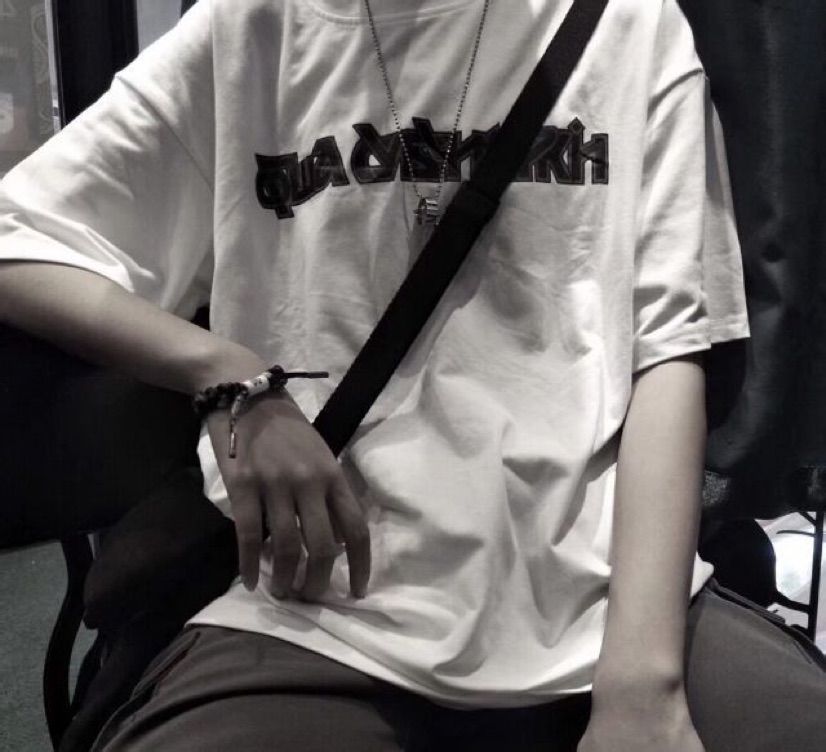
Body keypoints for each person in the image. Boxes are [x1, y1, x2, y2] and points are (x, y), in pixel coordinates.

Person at [1, 1, 825, 750]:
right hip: (316, 608)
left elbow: (669, 353)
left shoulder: (630, 26)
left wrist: (643, 687)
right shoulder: (250, 30)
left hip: (607, 597)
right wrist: (226, 374)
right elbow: (18, 240)